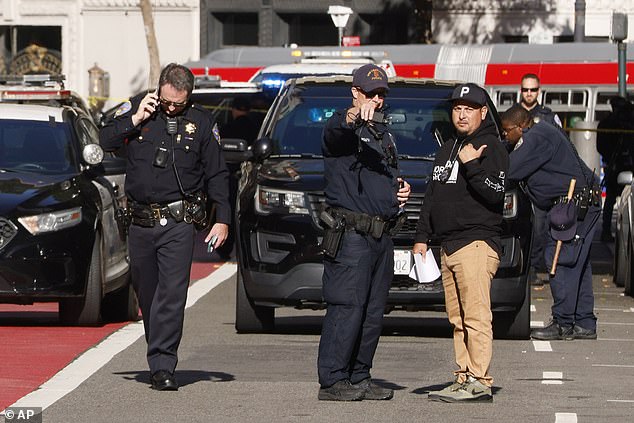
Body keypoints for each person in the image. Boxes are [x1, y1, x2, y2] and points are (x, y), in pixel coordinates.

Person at [100, 63, 231, 391]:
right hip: (141, 222)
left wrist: (224, 219)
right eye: (167, 101)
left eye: (178, 104)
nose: (171, 108)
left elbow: (217, 173)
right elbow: (103, 138)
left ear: (189, 97)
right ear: (158, 90)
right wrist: (134, 119)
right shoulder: (138, 108)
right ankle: (158, 350)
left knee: (172, 295)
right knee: (148, 294)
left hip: (178, 223)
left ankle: (162, 363)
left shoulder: (201, 122)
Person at [317, 64, 411, 401]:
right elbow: (335, 134)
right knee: (347, 306)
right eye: (371, 93)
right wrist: (355, 117)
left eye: (382, 93)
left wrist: (398, 190)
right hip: (351, 235)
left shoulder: (383, 132)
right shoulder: (341, 123)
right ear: (355, 92)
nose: (377, 99)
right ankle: (332, 380)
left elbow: (382, 177)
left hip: (380, 234)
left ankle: (359, 375)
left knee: (373, 310)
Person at [414, 83, 508, 403]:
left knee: (476, 316)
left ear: (483, 112)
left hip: (477, 243)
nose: (462, 113)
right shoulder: (449, 145)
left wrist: (472, 166)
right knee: (458, 319)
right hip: (449, 244)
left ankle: (480, 380)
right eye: (457, 108)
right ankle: (464, 376)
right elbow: (432, 195)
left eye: (469, 108)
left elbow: (496, 194)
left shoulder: (490, 146)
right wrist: (421, 237)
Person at [500, 104, 601, 341]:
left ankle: (562, 323)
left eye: (507, 131)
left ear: (522, 126)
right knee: (579, 263)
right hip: (580, 203)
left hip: (572, 205)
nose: (505, 136)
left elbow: (510, 170)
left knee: (560, 259)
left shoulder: (535, 138)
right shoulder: (542, 132)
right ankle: (584, 322)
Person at [518, 73, 563, 282]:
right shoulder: (512, 114)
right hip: (517, 178)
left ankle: (534, 267)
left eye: (533, 90)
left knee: (540, 226)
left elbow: (561, 145)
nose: (529, 94)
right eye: (525, 90)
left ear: (539, 91)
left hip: (542, 179)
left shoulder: (548, 116)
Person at [596, 96, 633, 242]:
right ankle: (606, 231)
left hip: (628, 164)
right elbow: (601, 146)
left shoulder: (629, 123)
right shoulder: (607, 124)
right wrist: (612, 156)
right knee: (610, 198)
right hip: (614, 165)